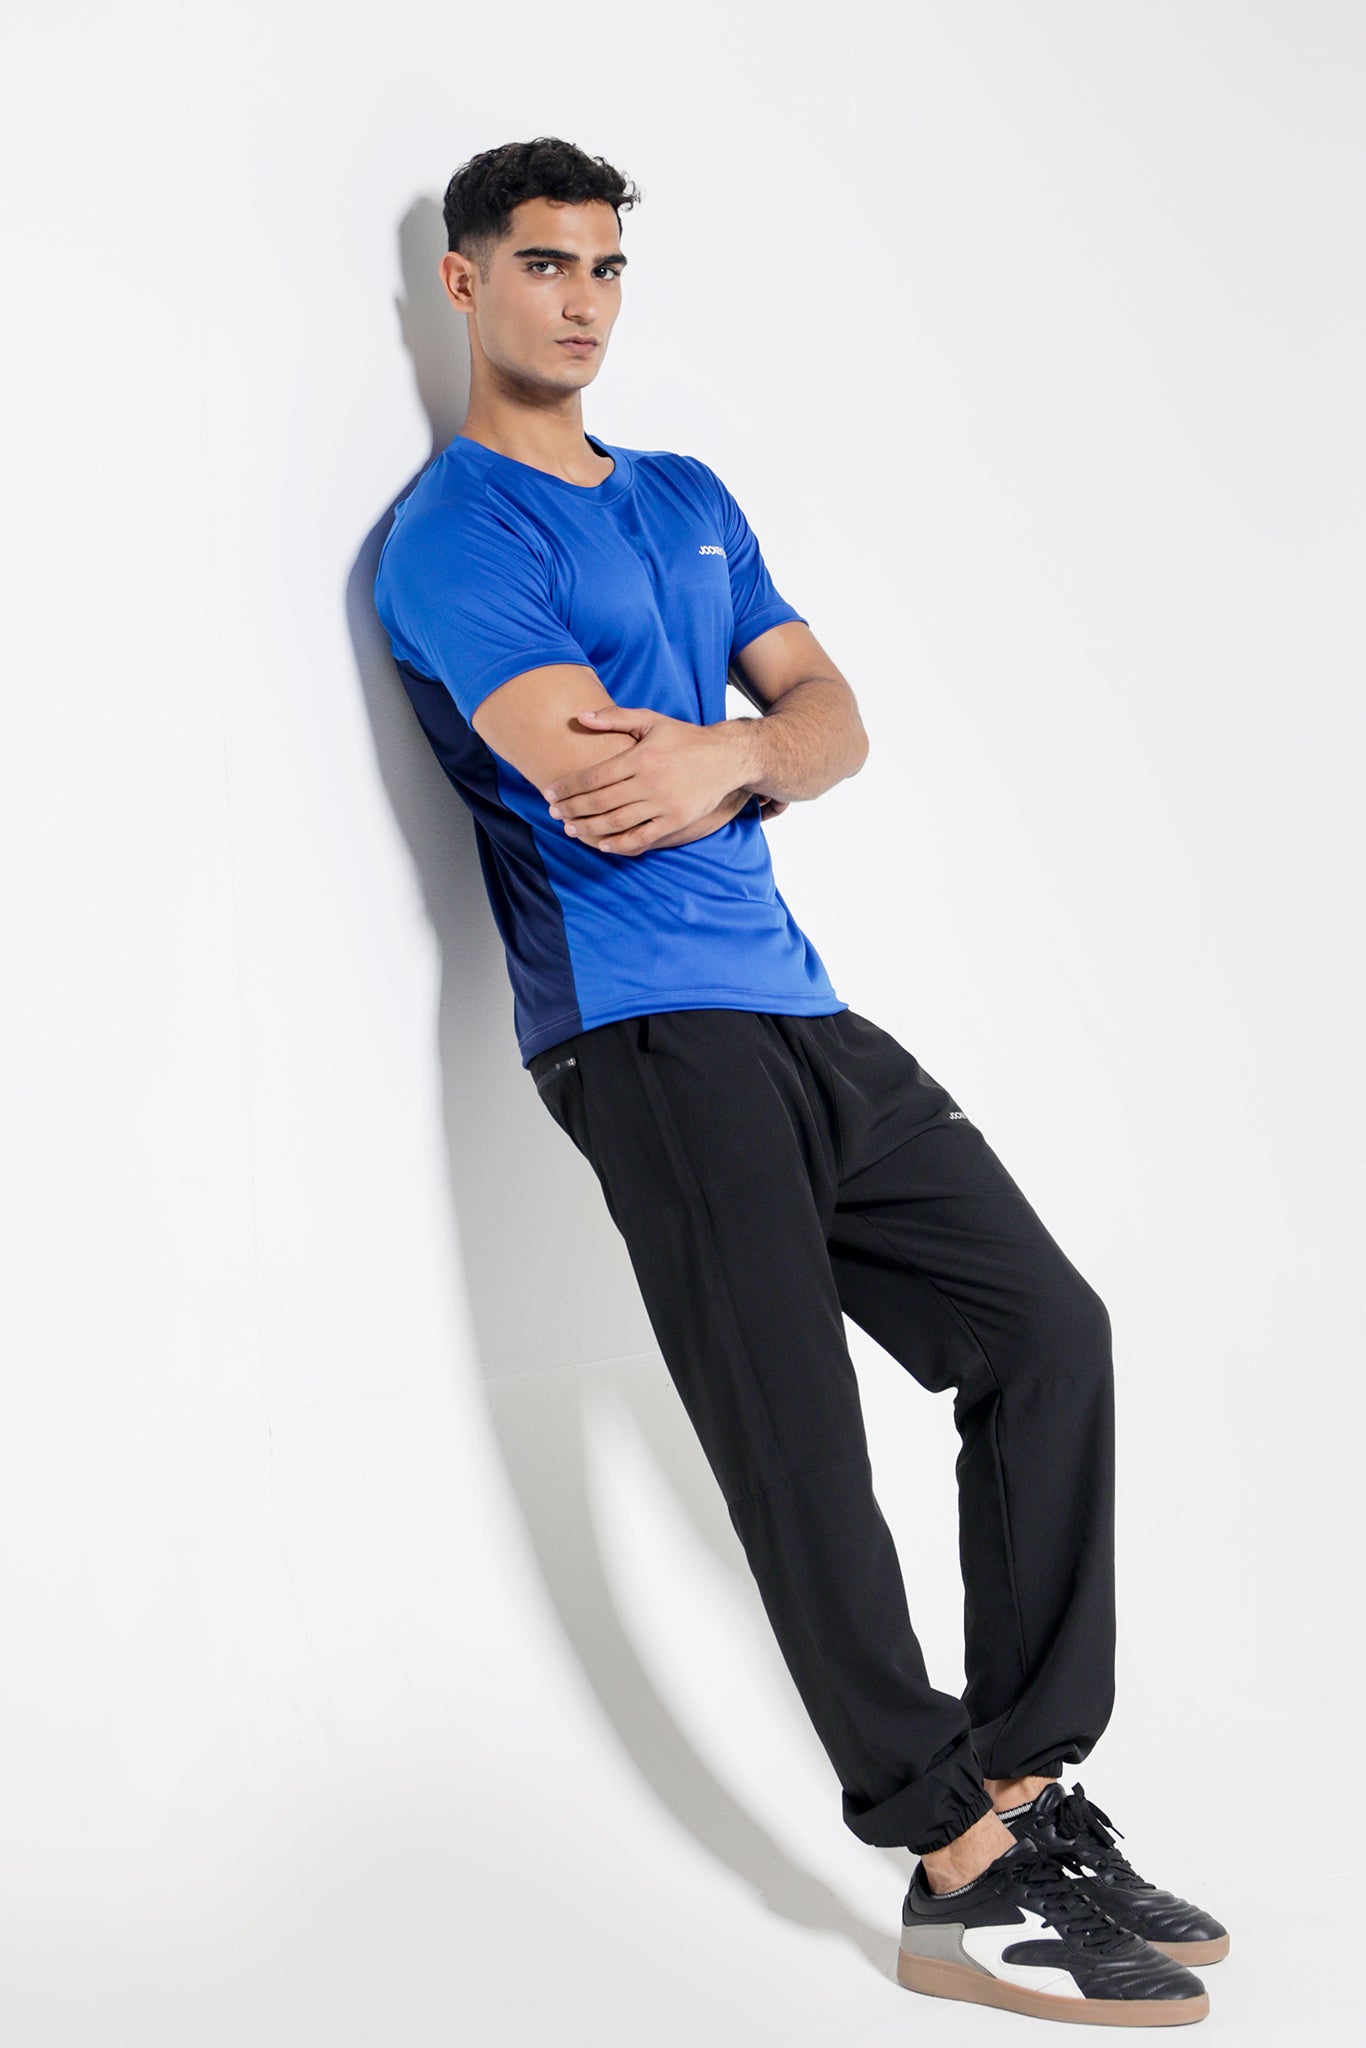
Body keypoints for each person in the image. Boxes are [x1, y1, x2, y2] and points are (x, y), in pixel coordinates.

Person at [374, 135, 1227, 2026]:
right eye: (543, 265)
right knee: (796, 1438)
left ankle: (1024, 1788)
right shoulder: (455, 536)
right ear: (465, 281)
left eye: (605, 267)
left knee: (1046, 1330)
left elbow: (831, 719)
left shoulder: (683, 494)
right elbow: (595, 774)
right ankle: (947, 1865)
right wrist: (746, 747)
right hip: (639, 1032)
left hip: (798, 1011)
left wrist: (743, 753)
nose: (581, 301)